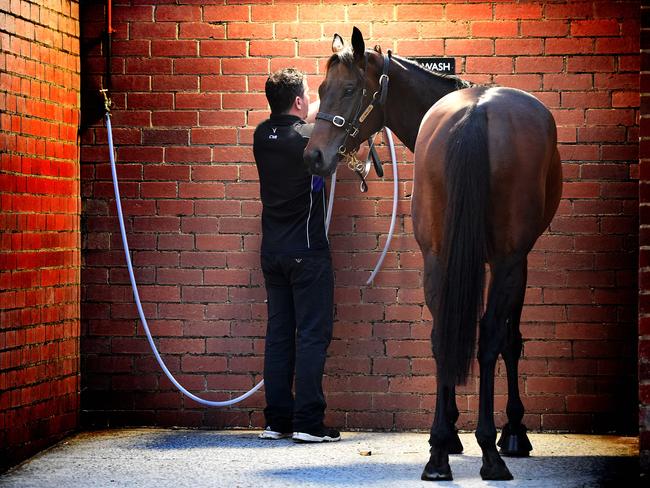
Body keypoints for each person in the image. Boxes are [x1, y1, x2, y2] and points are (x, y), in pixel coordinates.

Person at [253, 68, 340, 443]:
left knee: (279, 336)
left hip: (272, 253)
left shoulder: (261, 134)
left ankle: (276, 421)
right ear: (300, 102)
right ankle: (308, 423)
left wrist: (309, 100)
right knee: (311, 336)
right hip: (307, 252)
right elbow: (321, 131)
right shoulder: (308, 138)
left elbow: (299, 117)